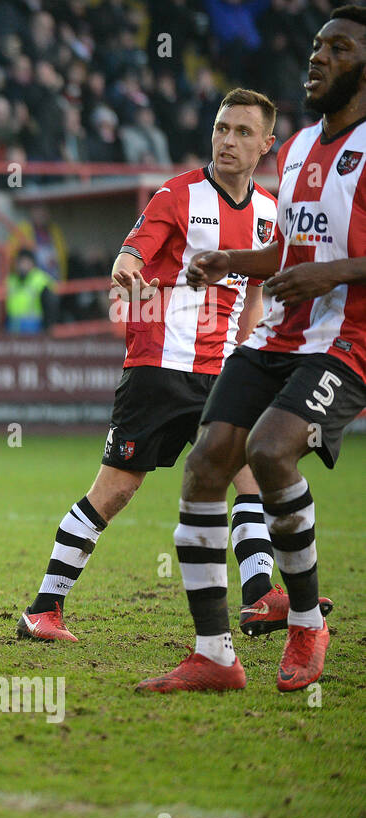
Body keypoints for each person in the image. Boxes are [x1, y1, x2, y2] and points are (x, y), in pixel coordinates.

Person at [18, 89, 328, 644]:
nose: (227, 140)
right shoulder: (177, 196)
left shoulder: (266, 213)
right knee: (114, 490)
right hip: (159, 369)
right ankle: (43, 610)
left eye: (241, 132)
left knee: (250, 472)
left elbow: (253, 293)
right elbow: (129, 254)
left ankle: (260, 597)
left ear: (267, 144)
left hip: (221, 372)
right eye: (220, 128)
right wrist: (127, 273)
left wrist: (247, 350)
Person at [138, 8, 366, 693]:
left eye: (340, 47)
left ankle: (304, 621)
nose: (319, 57)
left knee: (269, 451)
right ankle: (215, 654)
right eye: (318, 45)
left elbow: (326, 265)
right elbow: (292, 256)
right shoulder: (295, 150)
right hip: (278, 336)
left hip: (348, 341)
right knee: (207, 464)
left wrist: (331, 274)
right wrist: (232, 259)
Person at [3, 249, 56, 334]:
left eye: (25, 262)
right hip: (13, 325)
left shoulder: (40, 280)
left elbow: (50, 305)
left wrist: (47, 327)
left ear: (32, 263)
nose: (22, 266)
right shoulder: (11, 280)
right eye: (20, 262)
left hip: (33, 327)